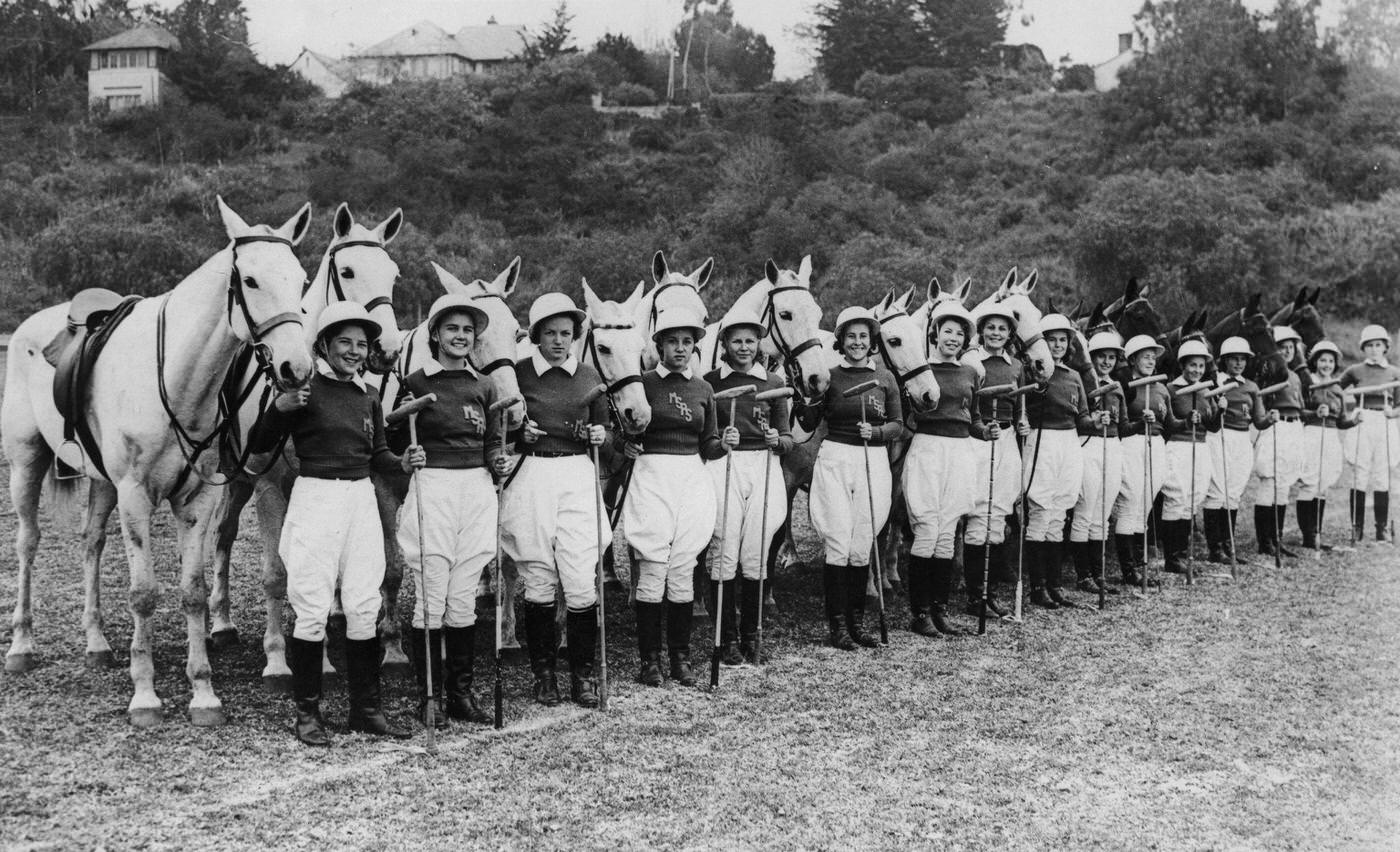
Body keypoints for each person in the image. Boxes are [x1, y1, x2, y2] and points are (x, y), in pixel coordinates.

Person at [260, 301, 423, 747]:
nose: (354, 351)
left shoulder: (369, 395)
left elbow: (379, 457)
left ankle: (365, 710)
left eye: (361, 344)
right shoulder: (302, 388)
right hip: (315, 496)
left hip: (360, 500)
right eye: (344, 343)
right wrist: (280, 407)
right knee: (312, 607)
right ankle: (307, 714)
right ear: (324, 345)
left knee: (363, 604)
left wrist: (404, 462)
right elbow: (258, 443)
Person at [392, 294, 508, 727]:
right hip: (434, 487)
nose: (460, 337)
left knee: (463, 598)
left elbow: (493, 441)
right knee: (432, 593)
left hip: (475, 489)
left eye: (467, 330)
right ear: (435, 334)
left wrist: (497, 461)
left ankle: (460, 694)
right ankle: (430, 697)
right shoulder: (416, 382)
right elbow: (393, 438)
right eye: (452, 329)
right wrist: (409, 456)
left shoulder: (485, 385)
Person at [502, 292, 610, 707]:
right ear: (536, 335)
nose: (559, 341)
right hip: (532, 474)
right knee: (539, 578)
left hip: (577, 473)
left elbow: (609, 433)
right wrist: (518, 436)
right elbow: (500, 430)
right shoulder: (518, 375)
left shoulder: (587, 376)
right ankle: (544, 675)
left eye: (566, 333)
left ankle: (583, 675)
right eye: (550, 333)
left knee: (581, 581)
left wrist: (602, 436)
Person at [622, 307, 731, 686]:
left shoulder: (703, 389)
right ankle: (649, 661)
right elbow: (626, 431)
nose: (680, 349)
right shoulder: (643, 383)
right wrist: (627, 447)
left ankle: (680, 659)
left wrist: (725, 444)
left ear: (696, 346)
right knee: (652, 569)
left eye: (687, 342)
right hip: (652, 475)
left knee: (683, 568)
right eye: (672, 342)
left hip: (691, 476)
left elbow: (709, 445)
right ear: (659, 345)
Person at [802, 306, 902, 650]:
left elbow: (897, 425)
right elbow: (810, 419)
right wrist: (811, 396)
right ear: (840, 341)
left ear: (872, 340)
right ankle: (838, 625)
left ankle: (857, 622)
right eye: (850, 336)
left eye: (863, 336)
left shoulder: (885, 378)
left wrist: (875, 431)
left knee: (862, 542)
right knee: (838, 540)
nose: (857, 342)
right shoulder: (829, 375)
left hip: (872, 460)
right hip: (836, 459)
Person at [703, 307, 792, 664]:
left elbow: (788, 438)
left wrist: (777, 439)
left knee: (755, 552)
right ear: (724, 342)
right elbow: (705, 439)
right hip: (725, 465)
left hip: (763, 466)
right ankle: (724, 639)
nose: (744, 347)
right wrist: (720, 440)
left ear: (759, 343)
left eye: (750, 341)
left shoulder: (772, 382)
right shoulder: (710, 382)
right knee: (725, 550)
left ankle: (751, 634)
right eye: (736, 340)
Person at [903, 301, 987, 637]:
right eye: (947, 331)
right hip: (928, 449)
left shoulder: (970, 373)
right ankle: (919, 612)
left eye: (959, 333)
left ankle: (940, 610)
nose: (952, 337)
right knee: (927, 527)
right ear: (935, 333)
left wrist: (987, 431)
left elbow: (974, 418)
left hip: (960, 451)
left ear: (966, 338)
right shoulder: (921, 369)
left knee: (948, 530)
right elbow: (909, 416)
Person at [1021, 314, 1102, 609]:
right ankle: (1037, 586)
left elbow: (1080, 417)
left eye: (1062, 340)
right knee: (1041, 510)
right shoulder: (1034, 372)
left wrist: (1097, 420)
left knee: (1059, 512)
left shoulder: (1073, 376)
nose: (1056, 345)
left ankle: (1055, 585)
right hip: (1042, 440)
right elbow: (1023, 407)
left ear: (1069, 344)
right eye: (1051, 339)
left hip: (1068, 443)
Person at [962, 301, 1027, 617]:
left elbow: (1018, 406)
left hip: (1008, 439)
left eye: (1002, 328)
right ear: (981, 331)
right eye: (990, 327)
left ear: (1010, 334)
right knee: (978, 513)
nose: (996, 333)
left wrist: (1022, 423)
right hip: (980, 439)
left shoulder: (1016, 365)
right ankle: (974, 595)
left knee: (999, 513)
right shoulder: (972, 362)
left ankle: (990, 594)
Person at [1202, 337, 1270, 563]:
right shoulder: (1216, 380)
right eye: (1234, 359)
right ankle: (1214, 549)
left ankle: (1228, 545)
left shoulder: (1251, 386)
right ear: (1225, 361)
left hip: (1242, 439)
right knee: (1217, 491)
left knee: (1233, 493)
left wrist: (1271, 419)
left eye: (1243, 359)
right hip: (1219, 436)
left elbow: (1259, 421)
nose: (1239, 364)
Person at [1113, 334, 1173, 587]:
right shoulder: (1126, 386)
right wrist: (1141, 422)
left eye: (1152, 356)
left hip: (1156, 444)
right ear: (1133, 359)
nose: (1150, 360)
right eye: (1144, 356)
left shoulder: (1161, 388)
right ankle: (1129, 570)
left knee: (1146, 503)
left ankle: (1140, 564)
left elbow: (1170, 423)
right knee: (1131, 501)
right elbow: (1121, 425)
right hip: (1132, 444)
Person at [1069, 332, 1127, 594]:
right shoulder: (1081, 381)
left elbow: (1123, 424)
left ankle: (1098, 573)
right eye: (1101, 357)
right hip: (1089, 444)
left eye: (1112, 357)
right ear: (1091, 357)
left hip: (1112, 446)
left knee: (1102, 513)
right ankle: (1083, 576)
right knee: (1085, 508)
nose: (1106, 362)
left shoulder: (1116, 385)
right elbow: (1077, 416)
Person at [1160, 340, 1220, 573]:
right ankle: (1171, 557)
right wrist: (1187, 421)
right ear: (1183, 365)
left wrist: (1221, 409)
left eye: (1201, 366)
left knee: (1193, 498)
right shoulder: (1172, 390)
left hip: (1201, 447)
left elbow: (1213, 426)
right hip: (1178, 447)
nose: (1197, 370)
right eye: (1192, 365)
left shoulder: (1206, 390)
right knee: (1176, 496)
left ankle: (1182, 553)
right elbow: (1166, 425)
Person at [1339, 325, 1400, 542]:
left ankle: (1381, 527)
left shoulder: (1394, 372)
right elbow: (1335, 391)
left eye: (1378, 345)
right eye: (1370, 345)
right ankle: (1357, 527)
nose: (1374, 349)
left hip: (1383, 421)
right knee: (1360, 472)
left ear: (1385, 347)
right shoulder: (1355, 370)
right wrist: (1347, 413)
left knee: (1382, 474)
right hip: (1362, 420)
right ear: (1363, 348)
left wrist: (1392, 412)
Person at [1298, 340, 1357, 548]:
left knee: (1324, 483)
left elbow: (1341, 421)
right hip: (1311, 433)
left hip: (1331, 436)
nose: (1326, 364)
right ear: (1315, 361)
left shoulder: (1337, 388)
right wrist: (1315, 413)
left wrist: (1354, 421)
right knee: (1310, 480)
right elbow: (1298, 411)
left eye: (1331, 361)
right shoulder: (1307, 383)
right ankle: (1307, 534)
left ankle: (1317, 532)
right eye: (1322, 360)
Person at [1254, 327, 1306, 558]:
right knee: (1270, 480)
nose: (1286, 352)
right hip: (1276, 425)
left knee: (1284, 483)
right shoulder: (1270, 371)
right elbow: (1260, 400)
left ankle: (1277, 538)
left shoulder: (1295, 376)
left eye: (1290, 348)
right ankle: (1264, 541)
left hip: (1294, 426)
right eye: (1282, 347)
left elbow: (1301, 406)